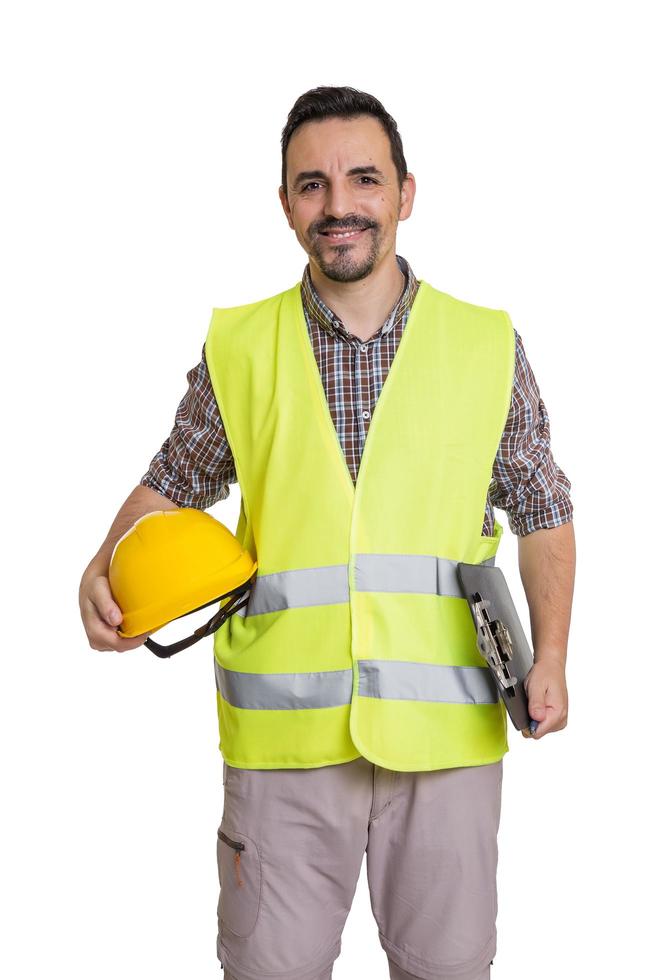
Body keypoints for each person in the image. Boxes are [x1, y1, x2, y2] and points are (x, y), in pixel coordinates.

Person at [79, 86, 575, 980]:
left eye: (363, 180)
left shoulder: (486, 343)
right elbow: (170, 484)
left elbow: (543, 511)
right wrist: (98, 569)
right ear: (285, 205)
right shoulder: (241, 347)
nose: (338, 205)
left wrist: (551, 659)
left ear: (405, 194)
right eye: (312, 185)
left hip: (448, 744)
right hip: (284, 755)